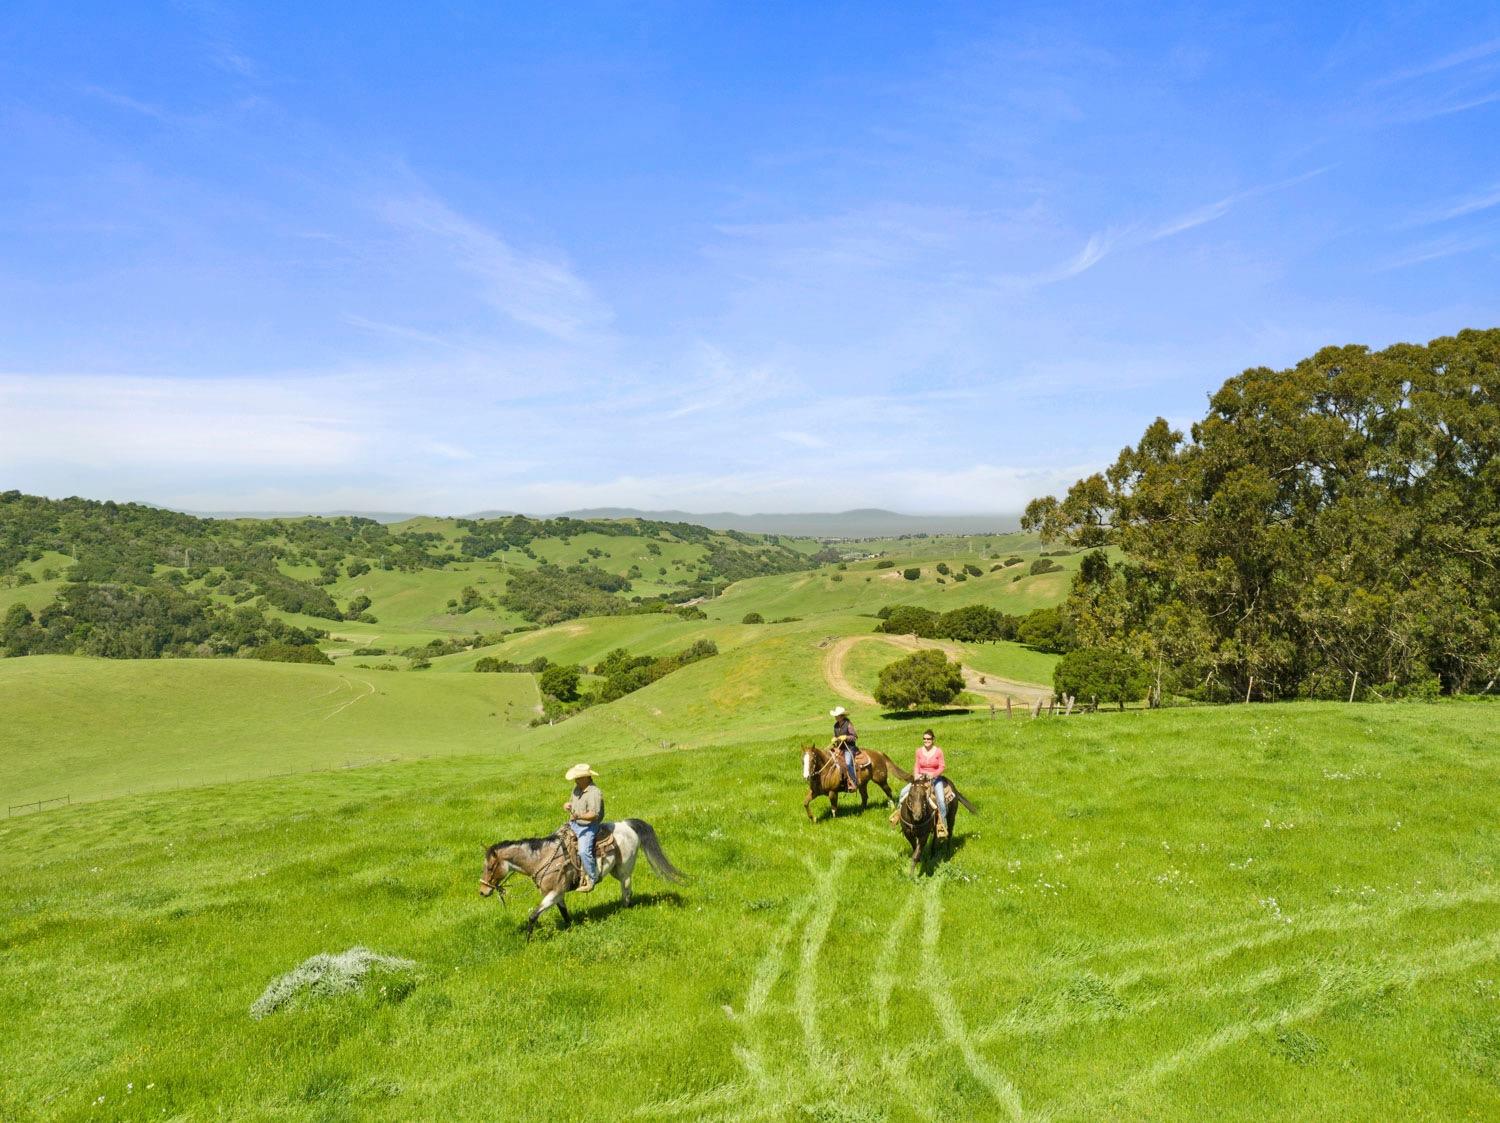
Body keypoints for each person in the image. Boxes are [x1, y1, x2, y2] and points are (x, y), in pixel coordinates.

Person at [892, 729, 949, 838]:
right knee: (903, 793)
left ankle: (942, 825)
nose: (926, 740)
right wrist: (916, 775)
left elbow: (942, 766)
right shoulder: (919, 751)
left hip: (935, 779)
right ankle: (899, 818)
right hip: (920, 779)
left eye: (928, 739)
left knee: (941, 800)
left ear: (933, 740)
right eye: (924, 739)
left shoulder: (938, 751)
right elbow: (917, 765)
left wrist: (933, 774)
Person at [563, 763, 603, 892]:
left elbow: (594, 814)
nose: (576, 780)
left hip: (589, 826)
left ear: (586, 777)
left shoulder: (594, 792)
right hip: (574, 823)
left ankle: (592, 878)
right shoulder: (577, 788)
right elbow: (571, 802)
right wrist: (567, 805)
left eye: (578, 778)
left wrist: (578, 815)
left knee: (583, 851)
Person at [830, 706, 859, 792]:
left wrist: (846, 737)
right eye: (835, 715)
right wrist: (834, 738)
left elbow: (854, 737)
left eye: (837, 715)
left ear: (842, 716)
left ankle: (854, 782)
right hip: (839, 748)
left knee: (848, 763)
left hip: (849, 748)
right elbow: (836, 736)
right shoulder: (835, 725)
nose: (835, 717)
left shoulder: (848, 724)